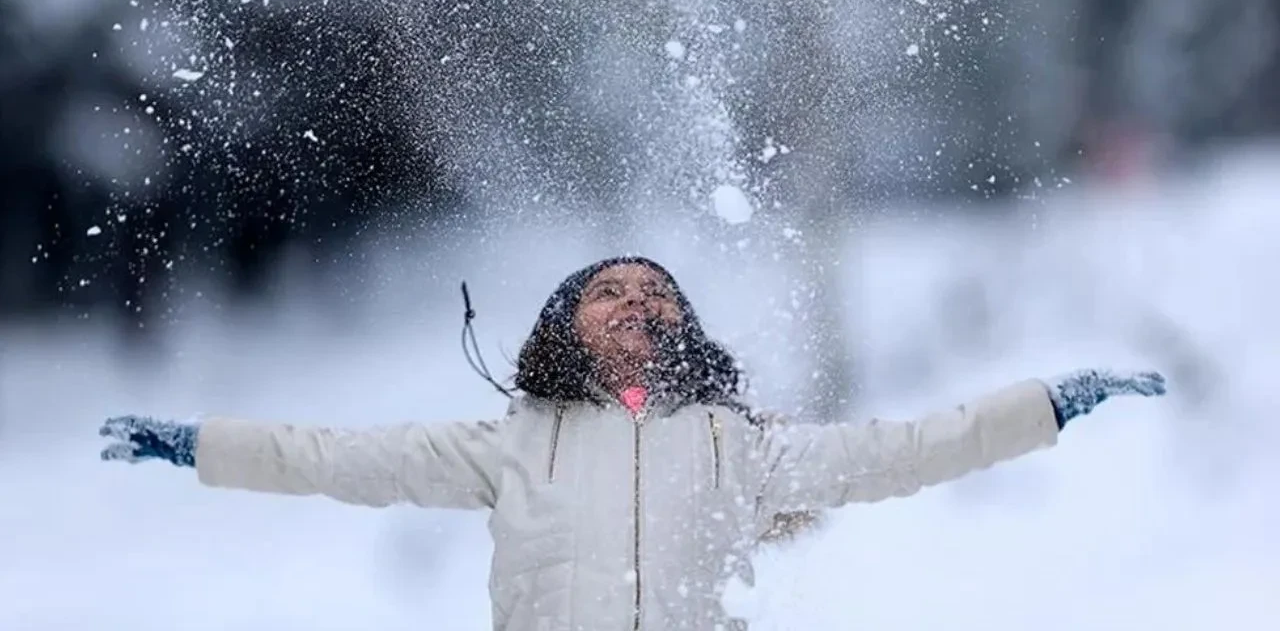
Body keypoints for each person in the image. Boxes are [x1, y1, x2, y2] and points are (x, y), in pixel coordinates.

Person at [99, 256, 1166, 631]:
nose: (634, 304)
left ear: (683, 329)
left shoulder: (737, 448)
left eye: (656, 294)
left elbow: (906, 449)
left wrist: (1048, 404)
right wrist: (197, 444)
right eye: (607, 291)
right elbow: (330, 456)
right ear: (563, 324)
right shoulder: (507, 444)